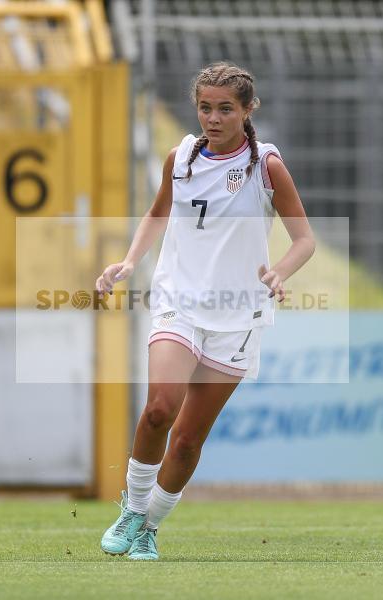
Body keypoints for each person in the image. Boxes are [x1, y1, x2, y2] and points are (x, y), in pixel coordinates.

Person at [94, 62, 315, 561]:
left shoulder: (267, 167)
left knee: (189, 440)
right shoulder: (182, 156)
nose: (213, 119)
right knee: (159, 411)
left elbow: (305, 241)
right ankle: (131, 510)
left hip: (237, 316)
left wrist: (279, 271)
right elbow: (158, 213)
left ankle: (149, 527)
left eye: (225, 109)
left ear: (248, 110)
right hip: (179, 302)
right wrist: (130, 262)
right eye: (204, 108)